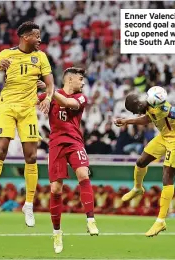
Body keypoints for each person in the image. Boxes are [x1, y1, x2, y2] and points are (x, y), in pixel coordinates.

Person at [0, 21, 55, 226]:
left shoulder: (40, 57)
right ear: (25, 37)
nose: (39, 39)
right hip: (7, 107)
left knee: (31, 156)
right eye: (36, 36)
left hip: (28, 110)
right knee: (0, 151)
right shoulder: (6, 54)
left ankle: (28, 205)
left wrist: (48, 97)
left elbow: (50, 83)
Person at [114, 88, 175, 237]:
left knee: (167, 177)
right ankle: (137, 188)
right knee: (141, 161)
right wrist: (127, 121)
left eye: (135, 110)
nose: (136, 113)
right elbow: (148, 118)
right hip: (164, 137)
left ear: (138, 103)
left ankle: (161, 221)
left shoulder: (159, 105)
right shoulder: (147, 106)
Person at [37, 67, 98, 254]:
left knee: (83, 173)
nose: (83, 82)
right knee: (56, 189)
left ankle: (90, 220)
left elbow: (67, 103)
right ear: (69, 79)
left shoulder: (81, 98)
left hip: (74, 142)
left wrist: (49, 90)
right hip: (56, 144)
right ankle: (57, 232)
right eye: (80, 79)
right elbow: (29, 102)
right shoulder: (51, 94)